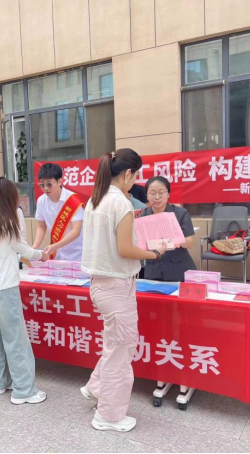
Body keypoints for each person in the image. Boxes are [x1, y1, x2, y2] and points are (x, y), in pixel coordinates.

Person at [81, 149, 167, 433]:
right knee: (121, 352)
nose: (137, 180)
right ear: (128, 173)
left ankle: (96, 387)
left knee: (114, 344)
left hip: (100, 284)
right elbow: (125, 249)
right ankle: (108, 416)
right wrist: (155, 252)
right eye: (137, 174)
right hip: (117, 286)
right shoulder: (120, 203)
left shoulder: (96, 199)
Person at [0, 177, 49, 405]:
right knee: (16, 339)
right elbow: (24, 250)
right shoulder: (8, 221)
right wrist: (42, 255)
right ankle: (23, 391)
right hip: (4, 287)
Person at [140, 176, 197, 282]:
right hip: (153, 269)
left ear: (168, 194)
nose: (157, 197)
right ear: (147, 196)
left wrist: (172, 236)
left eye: (161, 192)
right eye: (152, 193)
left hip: (178, 268)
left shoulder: (180, 213)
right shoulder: (144, 215)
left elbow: (189, 243)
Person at [33, 163, 84, 261]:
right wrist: (34, 248)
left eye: (49, 184)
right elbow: (41, 227)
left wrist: (55, 246)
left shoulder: (73, 201)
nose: (45, 188)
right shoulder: (41, 201)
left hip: (76, 254)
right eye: (42, 184)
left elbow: (76, 231)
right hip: (56, 254)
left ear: (60, 181)